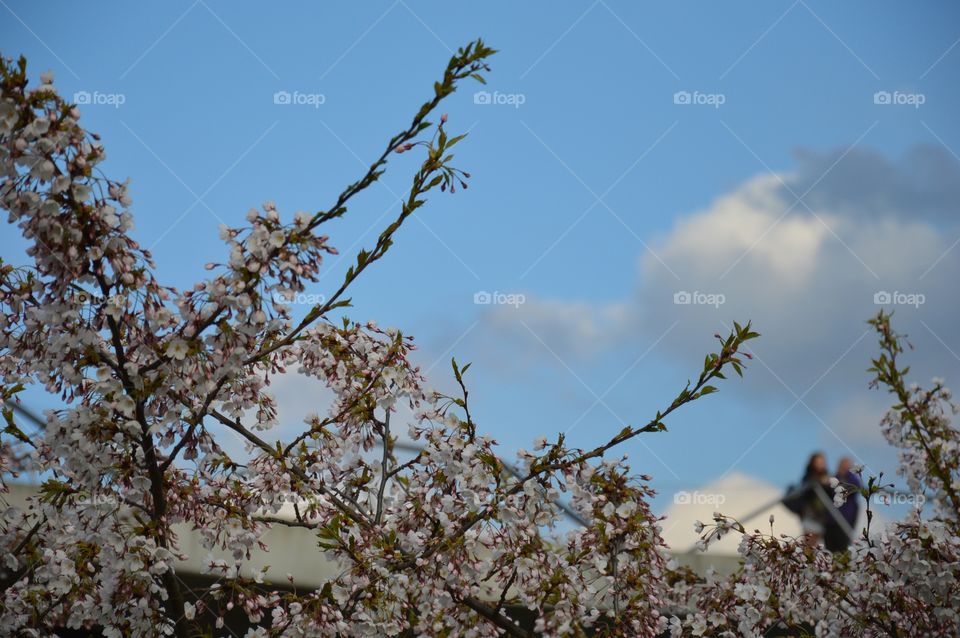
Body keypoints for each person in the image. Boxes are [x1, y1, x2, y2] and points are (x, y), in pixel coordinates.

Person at [824, 457, 861, 552]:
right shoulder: (834, 478)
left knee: (842, 548)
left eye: (845, 466)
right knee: (829, 549)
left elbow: (856, 487)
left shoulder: (852, 479)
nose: (842, 468)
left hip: (845, 521)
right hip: (830, 521)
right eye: (841, 465)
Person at [797, 452, 833, 546]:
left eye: (822, 462)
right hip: (810, 514)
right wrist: (821, 481)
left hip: (822, 515)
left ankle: (810, 559)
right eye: (818, 462)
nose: (821, 465)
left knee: (816, 544)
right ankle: (806, 559)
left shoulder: (828, 476)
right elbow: (806, 489)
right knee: (809, 543)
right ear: (813, 463)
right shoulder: (808, 476)